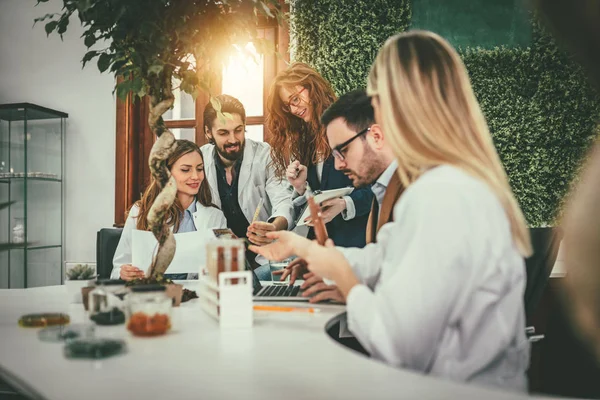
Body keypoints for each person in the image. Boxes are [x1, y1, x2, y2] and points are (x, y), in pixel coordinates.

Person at [252, 31, 533, 391]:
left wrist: (346, 282)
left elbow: (400, 345)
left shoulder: (438, 194)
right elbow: (386, 258)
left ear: (397, 106)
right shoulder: (448, 183)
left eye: (377, 101)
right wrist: (303, 248)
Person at [279, 89, 404, 304]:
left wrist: (349, 292)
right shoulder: (385, 186)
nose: (338, 164)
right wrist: (324, 260)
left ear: (376, 136)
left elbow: (410, 304)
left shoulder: (415, 190)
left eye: (343, 151)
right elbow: (383, 258)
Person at [266, 62, 373, 248]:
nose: (292, 109)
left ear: (312, 89)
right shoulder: (305, 139)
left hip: (357, 245)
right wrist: (301, 187)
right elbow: (316, 201)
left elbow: (378, 188)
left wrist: (345, 203)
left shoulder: (350, 125)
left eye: (295, 99)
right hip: (322, 247)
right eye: (287, 105)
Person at [201, 94, 294, 279]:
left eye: (238, 130)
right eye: (223, 133)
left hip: (263, 258)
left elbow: (283, 200)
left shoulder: (265, 154)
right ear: (208, 132)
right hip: (223, 260)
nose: (233, 140)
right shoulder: (200, 160)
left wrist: (273, 227)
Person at [112, 139, 227, 280]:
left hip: (196, 296)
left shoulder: (215, 216)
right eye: (185, 170)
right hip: (151, 295)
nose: (196, 176)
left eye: (199, 168)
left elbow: (222, 271)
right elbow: (118, 267)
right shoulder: (140, 211)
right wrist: (123, 273)